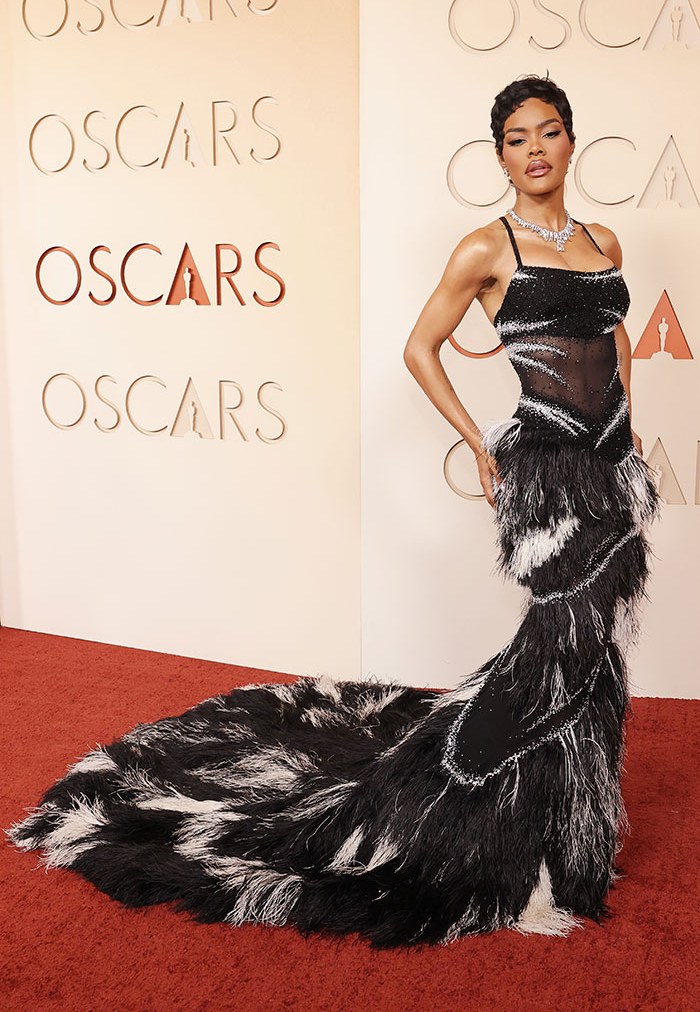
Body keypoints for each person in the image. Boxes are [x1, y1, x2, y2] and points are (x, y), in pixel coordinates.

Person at [6, 75, 661, 949]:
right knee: (553, 655)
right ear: (498, 153)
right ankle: (490, 839)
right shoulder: (485, 247)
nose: (534, 149)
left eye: (547, 132)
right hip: (546, 477)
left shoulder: (603, 240)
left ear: (572, 142)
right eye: (515, 137)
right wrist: (477, 441)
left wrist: (629, 432)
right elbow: (420, 347)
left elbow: (614, 342)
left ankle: (571, 835)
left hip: (611, 471)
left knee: (596, 659)